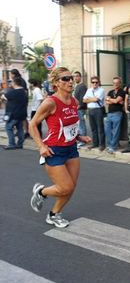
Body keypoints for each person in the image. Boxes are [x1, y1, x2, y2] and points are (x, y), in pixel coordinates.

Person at [29, 67, 91, 228]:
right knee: (65, 187)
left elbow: (70, 126)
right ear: (56, 83)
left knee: (70, 188)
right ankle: (41, 192)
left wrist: (79, 136)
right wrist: (41, 146)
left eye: (71, 77)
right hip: (54, 150)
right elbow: (32, 125)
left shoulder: (74, 102)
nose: (70, 81)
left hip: (71, 149)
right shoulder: (50, 103)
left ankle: (54, 214)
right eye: (65, 78)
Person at [1, 77, 28, 150]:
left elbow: (3, 97)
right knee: (20, 129)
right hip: (22, 113)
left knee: (8, 128)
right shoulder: (24, 92)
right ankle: (20, 144)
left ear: (14, 83)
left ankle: (11, 144)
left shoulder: (12, 92)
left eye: (12, 82)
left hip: (13, 113)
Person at [83, 76, 106, 151]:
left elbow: (96, 99)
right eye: (93, 82)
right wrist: (92, 99)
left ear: (98, 82)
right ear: (91, 83)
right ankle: (95, 143)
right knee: (93, 128)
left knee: (100, 128)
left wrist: (89, 99)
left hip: (98, 110)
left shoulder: (101, 90)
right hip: (90, 110)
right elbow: (84, 100)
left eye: (96, 82)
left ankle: (102, 144)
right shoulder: (89, 90)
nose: (95, 84)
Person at [105, 76, 125, 154]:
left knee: (116, 131)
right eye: (114, 83)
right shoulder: (110, 91)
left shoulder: (122, 92)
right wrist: (114, 101)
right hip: (109, 113)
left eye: (117, 83)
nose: (115, 84)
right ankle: (110, 145)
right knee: (108, 130)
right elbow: (107, 102)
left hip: (117, 113)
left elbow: (116, 101)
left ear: (120, 83)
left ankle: (113, 147)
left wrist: (110, 100)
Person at [10, 69, 29, 138]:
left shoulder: (18, 80)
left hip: (20, 101)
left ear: (14, 74)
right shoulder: (20, 79)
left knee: (22, 117)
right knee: (22, 116)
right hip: (22, 100)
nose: (10, 75)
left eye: (11, 74)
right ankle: (22, 131)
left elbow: (23, 91)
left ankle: (26, 131)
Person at [73, 71, 88, 148]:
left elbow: (82, 99)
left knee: (81, 125)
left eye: (77, 76)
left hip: (80, 109)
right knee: (78, 126)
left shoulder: (82, 86)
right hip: (76, 109)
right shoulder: (76, 86)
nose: (75, 78)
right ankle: (80, 140)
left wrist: (78, 107)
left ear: (80, 77)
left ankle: (83, 141)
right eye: (74, 76)